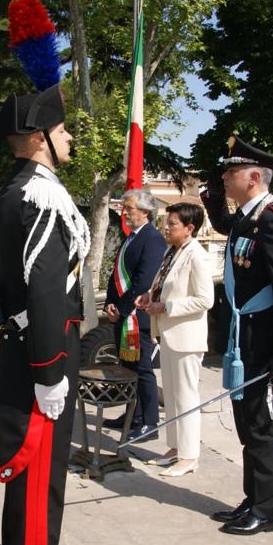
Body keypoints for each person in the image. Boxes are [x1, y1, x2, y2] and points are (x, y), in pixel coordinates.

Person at [0, 0, 87, 545]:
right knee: (42, 464)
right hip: (45, 349)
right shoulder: (40, 198)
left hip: (27, 342)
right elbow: (45, 290)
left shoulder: (15, 191)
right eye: (63, 131)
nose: (69, 139)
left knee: (33, 465)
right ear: (41, 139)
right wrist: (50, 370)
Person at [202, 135, 273, 536]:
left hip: (262, 338)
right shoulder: (249, 217)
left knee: (260, 425)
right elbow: (225, 225)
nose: (226, 176)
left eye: (232, 171)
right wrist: (214, 197)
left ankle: (266, 509)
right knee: (246, 422)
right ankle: (252, 498)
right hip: (243, 336)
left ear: (255, 177)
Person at [135, 203, 213, 477]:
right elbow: (164, 285)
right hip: (168, 335)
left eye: (172, 224)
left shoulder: (197, 256)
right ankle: (175, 447)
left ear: (189, 228)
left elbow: (205, 299)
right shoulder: (172, 252)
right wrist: (149, 296)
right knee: (171, 395)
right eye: (166, 223)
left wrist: (166, 307)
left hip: (186, 337)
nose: (166, 228)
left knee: (186, 397)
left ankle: (189, 456)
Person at [101, 189, 167, 441]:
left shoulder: (152, 239)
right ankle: (133, 415)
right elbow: (116, 276)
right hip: (122, 314)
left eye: (128, 208)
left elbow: (144, 280)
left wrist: (122, 308)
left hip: (137, 316)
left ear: (145, 211)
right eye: (123, 207)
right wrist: (110, 303)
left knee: (142, 369)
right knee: (128, 368)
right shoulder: (131, 237)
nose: (124, 212)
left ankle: (149, 422)